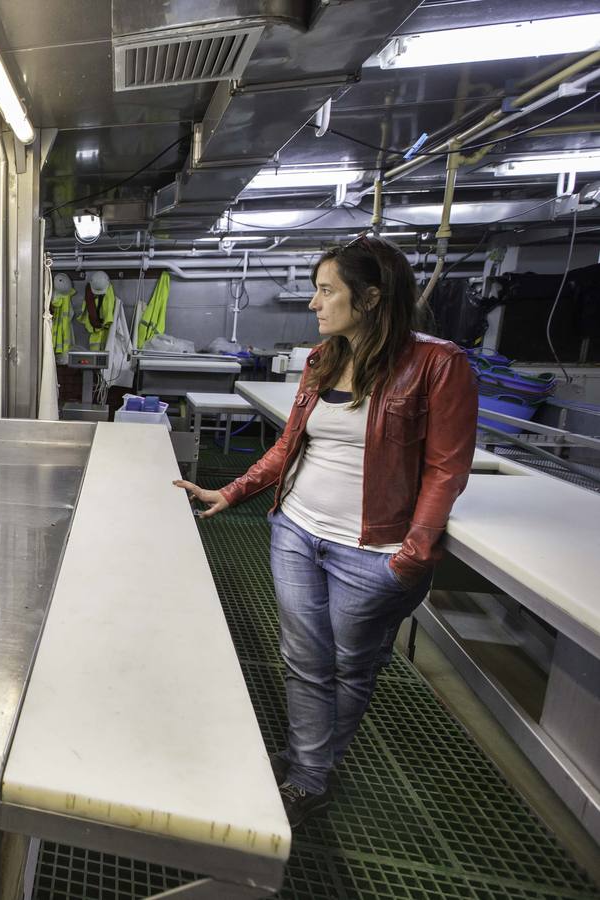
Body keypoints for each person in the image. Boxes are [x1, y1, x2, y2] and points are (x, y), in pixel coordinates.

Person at [173, 235, 476, 826]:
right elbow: (290, 445)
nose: (314, 303)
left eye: (325, 290)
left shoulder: (438, 365)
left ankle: (308, 765)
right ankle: (309, 773)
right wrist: (232, 490)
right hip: (298, 532)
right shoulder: (324, 359)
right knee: (305, 657)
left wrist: (411, 555)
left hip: (374, 551)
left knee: (349, 664)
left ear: (370, 296)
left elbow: (447, 468)